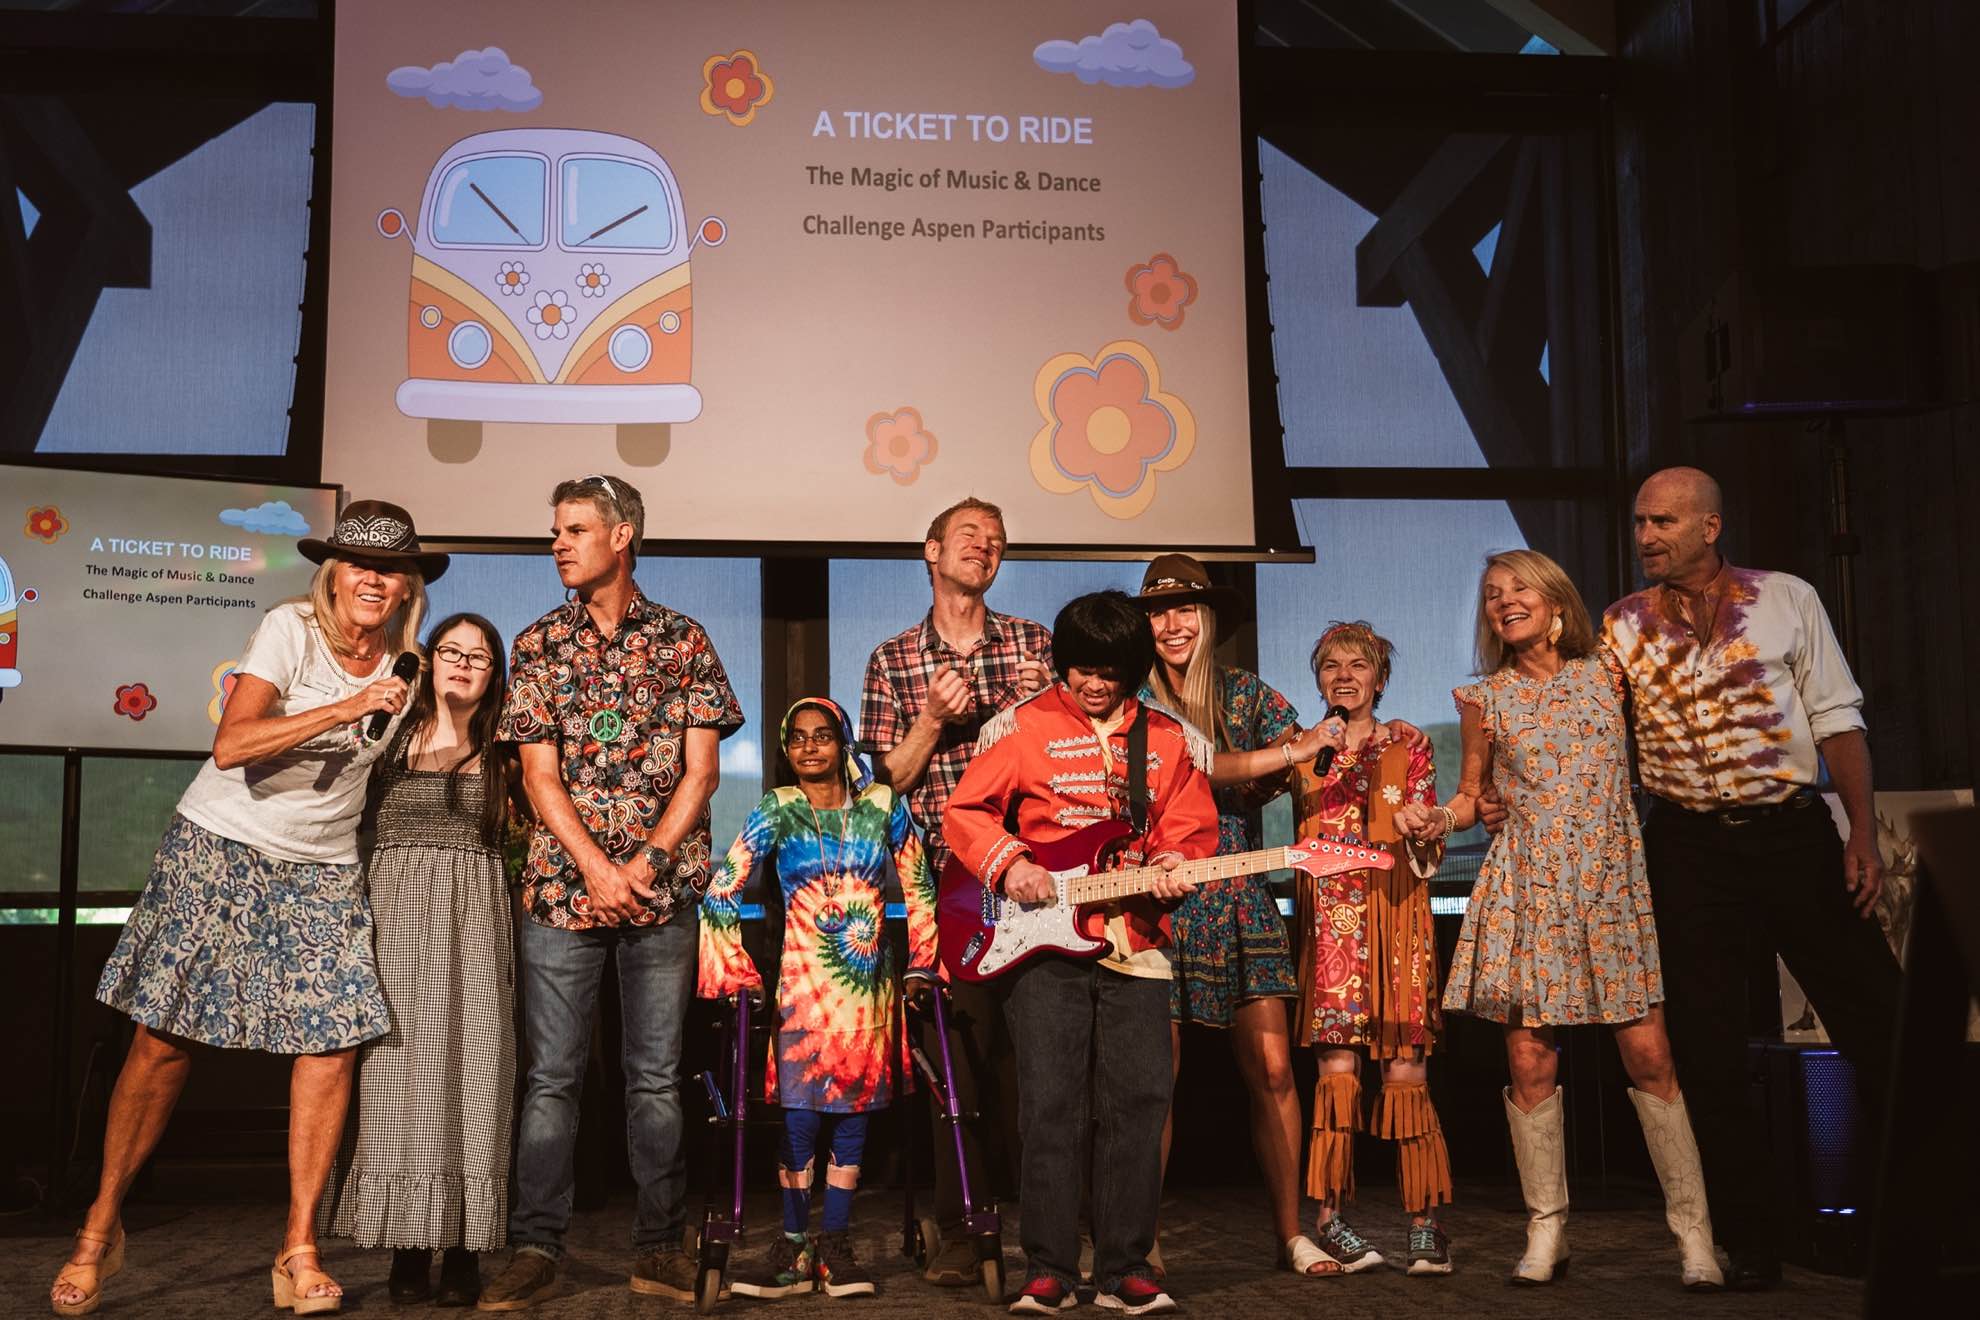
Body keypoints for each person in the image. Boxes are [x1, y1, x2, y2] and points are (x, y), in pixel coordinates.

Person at [52, 500, 444, 1317]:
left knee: (333, 1045)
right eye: (359, 564)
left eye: (391, 568)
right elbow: (232, 743)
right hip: (220, 844)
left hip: (322, 870)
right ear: (335, 574)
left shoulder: (408, 668)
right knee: (161, 1042)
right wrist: (344, 706)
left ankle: (299, 1247)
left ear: (408, 585)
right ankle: (99, 1230)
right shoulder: (289, 629)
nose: (374, 579)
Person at [1602, 466, 1902, 1290]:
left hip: (1789, 833)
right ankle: (1753, 1239)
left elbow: (1837, 720)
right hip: (1688, 846)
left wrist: (1861, 834)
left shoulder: (1785, 597)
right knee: (1708, 1046)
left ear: (1710, 526)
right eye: (1638, 523)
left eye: (1662, 522)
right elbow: (1593, 736)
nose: (1646, 537)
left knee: (1881, 1021)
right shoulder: (1622, 626)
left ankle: (1910, 1221)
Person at [1408, 548, 1722, 1290]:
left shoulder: (1608, 672)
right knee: (1529, 1059)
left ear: (1555, 602)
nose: (1505, 602)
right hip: (1528, 885)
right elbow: (1472, 794)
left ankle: (1695, 1236)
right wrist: (1437, 819)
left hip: (1610, 883)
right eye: (1492, 595)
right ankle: (1546, 1230)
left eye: (1519, 588)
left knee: (1650, 1056)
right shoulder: (1483, 698)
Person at [478, 475, 743, 1311]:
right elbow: (537, 773)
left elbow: (702, 774)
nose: (558, 543)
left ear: (622, 535)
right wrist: (597, 869)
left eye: (575, 529)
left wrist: (646, 868)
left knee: (655, 1079)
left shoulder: (683, 639)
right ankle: (535, 1246)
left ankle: (659, 1245)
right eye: (553, 530)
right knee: (552, 1078)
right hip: (563, 892)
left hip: (660, 895)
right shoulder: (538, 643)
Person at [944, 589, 1219, 1317]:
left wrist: (1174, 867)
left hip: (1138, 945)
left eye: (1110, 672)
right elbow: (965, 811)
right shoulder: (1024, 727)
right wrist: (1012, 865)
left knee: (1138, 1103)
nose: (1095, 684)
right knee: (1050, 1107)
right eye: (1081, 670)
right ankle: (1049, 1269)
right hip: (1043, 946)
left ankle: (1127, 1265)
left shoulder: (1164, 738)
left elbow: (1189, 828)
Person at [858, 496, 1051, 1287]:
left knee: (1038, 1066)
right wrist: (934, 720)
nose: (986, 547)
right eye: (970, 536)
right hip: (948, 886)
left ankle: (1044, 1232)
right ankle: (963, 1229)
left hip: (1040, 879)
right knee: (956, 1062)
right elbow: (882, 786)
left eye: (997, 540)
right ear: (932, 551)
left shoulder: (1035, 645)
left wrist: (1029, 717)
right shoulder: (894, 658)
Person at [1131, 554, 1332, 1276]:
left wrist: (1341, 756)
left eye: (1185, 608)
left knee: (1276, 1070)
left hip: (1243, 898)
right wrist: (1288, 752)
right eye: (1158, 611)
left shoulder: (1249, 693)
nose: (1173, 623)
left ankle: (1293, 1235)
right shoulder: (1131, 704)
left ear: (1208, 619)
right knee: (1155, 1080)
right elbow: (1193, 767)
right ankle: (1140, 1246)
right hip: (1161, 904)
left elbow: (1317, 758)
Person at [700, 696, 938, 1301]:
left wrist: (920, 967)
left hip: (867, 988)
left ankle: (834, 1245)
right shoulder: (778, 809)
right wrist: (737, 970)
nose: (810, 746)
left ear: (843, 743)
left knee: (852, 1118)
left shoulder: (884, 805)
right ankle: (791, 1245)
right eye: (798, 737)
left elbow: (921, 886)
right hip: (802, 988)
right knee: (801, 1117)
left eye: (823, 736)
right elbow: (721, 887)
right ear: (786, 749)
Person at [322, 613, 519, 1306]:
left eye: (480, 657)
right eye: (450, 652)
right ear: (428, 661)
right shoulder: (390, 736)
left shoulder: (507, 749)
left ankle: (464, 1245)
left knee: (473, 1071)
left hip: (473, 922)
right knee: (396, 1078)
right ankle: (408, 1245)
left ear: (495, 675)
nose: (463, 664)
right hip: (393, 918)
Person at [1290, 622, 1453, 1276]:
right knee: (1337, 1078)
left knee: (1405, 1073)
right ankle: (1330, 1219)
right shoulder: (1304, 749)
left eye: (1359, 664)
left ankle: (1424, 1225)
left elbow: (1427, 825)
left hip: (1396, 920)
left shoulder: (1407, 742)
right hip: (1331, 926)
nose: (1345, 675)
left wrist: (1421, 827)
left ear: (1379, 679)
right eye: (1331, 665)